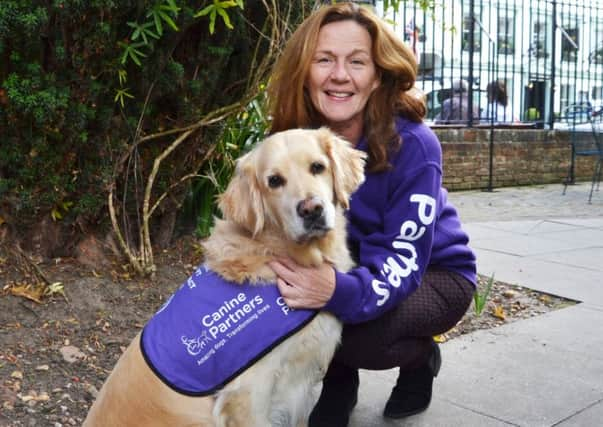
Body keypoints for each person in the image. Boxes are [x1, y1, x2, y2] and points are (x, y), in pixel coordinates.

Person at [266, 3, 477, 426]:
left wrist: (333, 291)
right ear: (304, 71)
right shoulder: (288, 141)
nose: (339, 75)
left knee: (357, 337)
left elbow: (401, 263)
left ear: (377, 73)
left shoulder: (414, 145)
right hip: (354, 267)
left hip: (432, 273)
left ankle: (419, 358)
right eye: (324, 59)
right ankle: (341, 384)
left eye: (356, 61)